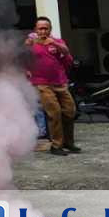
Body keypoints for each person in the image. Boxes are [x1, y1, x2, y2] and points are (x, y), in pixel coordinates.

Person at [25, 16, 78, 156]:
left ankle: (68, 142)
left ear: (50, 29)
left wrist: (54, 43)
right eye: (40, 28)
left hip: (60, 82)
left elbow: (67, 54)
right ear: (35, 30)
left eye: (45, 28)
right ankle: (56, 145)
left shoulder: (57, 42)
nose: (43, 31)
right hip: (42, 83)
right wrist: (26, 70)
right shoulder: (30, 44)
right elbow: (22, 59)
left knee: (70, 111)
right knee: (54, 112)